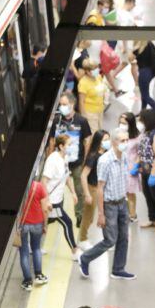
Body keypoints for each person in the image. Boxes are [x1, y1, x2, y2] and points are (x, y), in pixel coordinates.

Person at [78, 129, 135, 280]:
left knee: (124, 237)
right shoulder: (104, 161)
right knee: (110, 240)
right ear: (114, 142)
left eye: (127, 140)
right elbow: (100, 188)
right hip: (110, 205)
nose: (126, 143)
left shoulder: (124, 157)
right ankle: (85, 258)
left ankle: (118, 269)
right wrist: (101, 214)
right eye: (123, 141)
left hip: (122, 202)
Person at [51, 92, 92, 224]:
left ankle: (79, 215)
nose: (62, 107)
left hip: (76, 163)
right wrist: (50, 158)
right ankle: (57, 214)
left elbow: (87, 141)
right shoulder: (56, 121)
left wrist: (85, 161)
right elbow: (52, 141)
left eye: (64, 104)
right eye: (60, 104)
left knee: (79, 190)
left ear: (72, 104)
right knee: (57, 189)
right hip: (59, 164)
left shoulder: (81, 121)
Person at [42, 134, 82, 260]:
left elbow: (67, 177)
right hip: (52, 201)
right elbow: (44, 181)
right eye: (69, 145)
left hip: (58, 199)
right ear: (61, 146)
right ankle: (75, 251)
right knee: (67, 223)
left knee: (47, 222)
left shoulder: (64, 158)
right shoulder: (53, 160)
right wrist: (46, 200)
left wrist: (73, 193)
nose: (71, 147)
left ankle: (34, 244)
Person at [17, 178, 50, 292]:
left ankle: (27, 281)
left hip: (22, 224)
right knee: (36, 248)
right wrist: (45, 225)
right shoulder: (38, 186)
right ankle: (39, 275)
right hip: (37, 223)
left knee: (24, 251)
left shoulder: (16, 187)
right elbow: (45, 209)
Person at [78, 130, 108, 246]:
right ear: (99, 142)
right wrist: (87, 194)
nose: (107, 142)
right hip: (93, 188)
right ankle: (82, 239)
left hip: (101, 188)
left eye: (108, 139)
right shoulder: (93, 156)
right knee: (88, 216)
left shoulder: (105, 154)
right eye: (105, 140)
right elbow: (83, 175)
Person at [118, 112, 142, 221]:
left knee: (130, 193)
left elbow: (140, 153)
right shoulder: (118, 134)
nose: (121, 125)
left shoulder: (137, 137)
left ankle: (133, 215)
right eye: (120, 123)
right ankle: (123, 213)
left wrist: (136, 166)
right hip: (119, 166)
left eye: (124, 123)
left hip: (131, 168)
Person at [130, 40, 155, 112]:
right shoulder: (150, 44)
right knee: (144, 93)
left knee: (145, 95)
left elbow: (130, 58)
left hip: (144, 73)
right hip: (151, 72)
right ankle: (143, 111)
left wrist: (133, 49)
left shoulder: (139, 47)